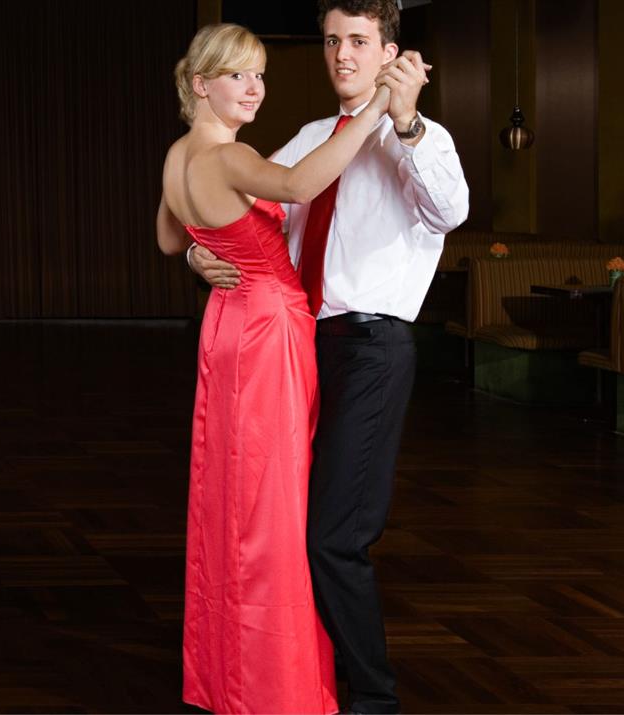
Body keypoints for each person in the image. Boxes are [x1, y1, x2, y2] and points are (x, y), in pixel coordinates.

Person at [186, 2, 470, 711]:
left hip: (372, 348)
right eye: (332, 41)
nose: (342, 55)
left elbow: (450, 211)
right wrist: (199, 249)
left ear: (389, 51)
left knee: (335, 536)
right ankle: (301, 682)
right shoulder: (316, 137)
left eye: (359, 42)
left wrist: (402, 123)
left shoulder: (420, 137)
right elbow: (246, 206)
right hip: (298, 347)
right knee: (285, 529)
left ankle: (374, 699)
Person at [157, 22, 391, 714]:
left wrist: (207, 246)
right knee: (272, 504)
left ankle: (225, 673)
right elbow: (298, 181)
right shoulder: (229, 157)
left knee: (230, 493)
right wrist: (373, 110)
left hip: (226, 325)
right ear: (202, 84)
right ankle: (270, 684)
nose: (255, 88)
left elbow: (171, 237)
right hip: (267, 332)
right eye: (239, 75)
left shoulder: (177, 157)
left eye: (260, 74)